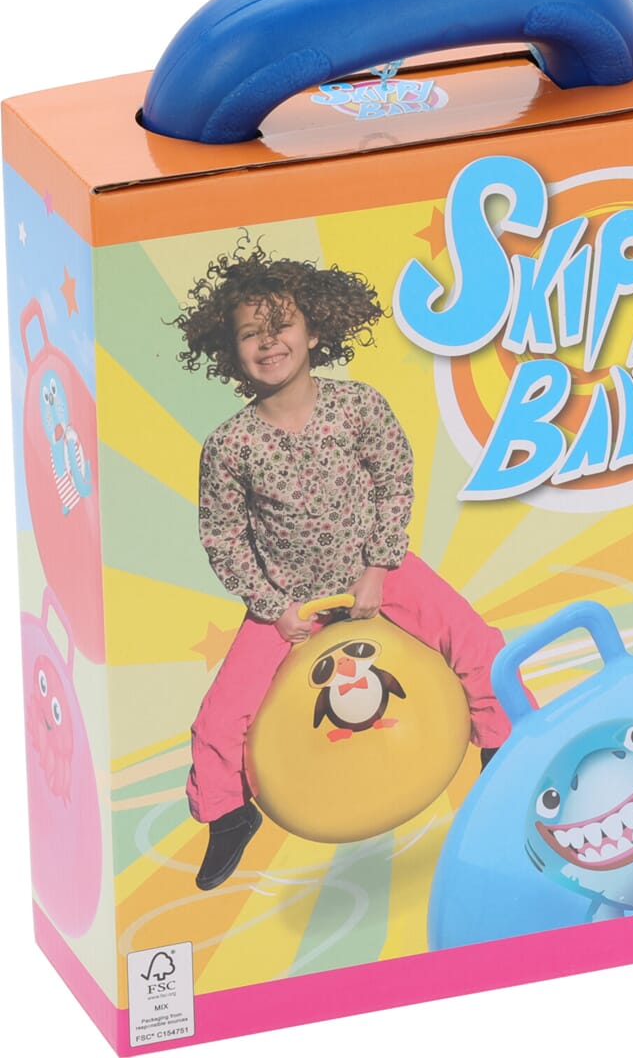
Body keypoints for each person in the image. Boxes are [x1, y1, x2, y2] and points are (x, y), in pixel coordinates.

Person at [173, 239, 511, 890]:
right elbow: (223, 537)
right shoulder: (229, 445)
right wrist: (273, 607)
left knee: (474, 641)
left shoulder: (358, 405)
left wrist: (378, 567)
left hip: (377, 569)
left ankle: (503, 748)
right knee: (218, 718)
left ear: (314, 330)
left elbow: (395, 478)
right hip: (285, 599)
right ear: (231, 351)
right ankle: (228, 815)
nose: (269, 342)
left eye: (282, 325)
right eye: (251, 333)